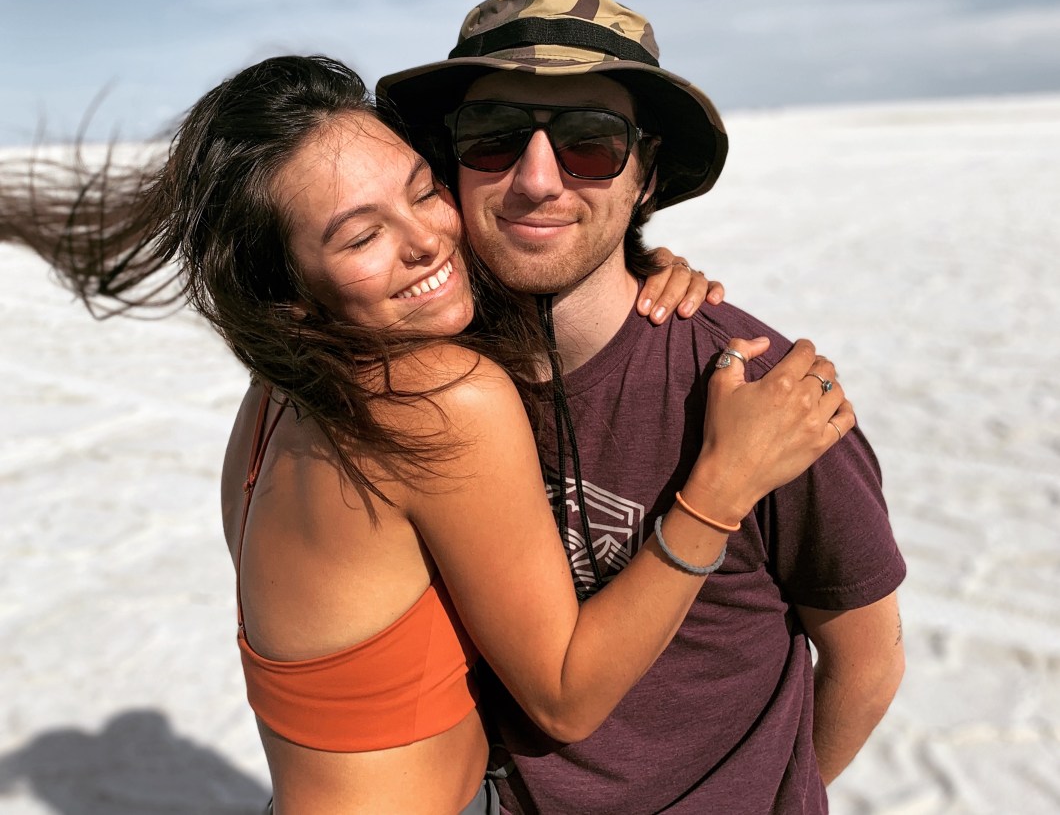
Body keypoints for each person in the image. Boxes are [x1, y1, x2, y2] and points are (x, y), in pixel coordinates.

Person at [2, 54, 853, 814]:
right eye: (362, 235)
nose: (423, 241)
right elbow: (564, 695)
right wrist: (721, 487)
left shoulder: (277, 398)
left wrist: (630, 265)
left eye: (420, 191)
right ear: (292, 288)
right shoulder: (443, 397)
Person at [377, 0, 907, 814]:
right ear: (449, 163)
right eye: (494, 138)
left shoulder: (756, 391)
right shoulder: (423, 372)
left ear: (645, 176)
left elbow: (867, 664)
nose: (538, 179)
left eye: (591, 143)